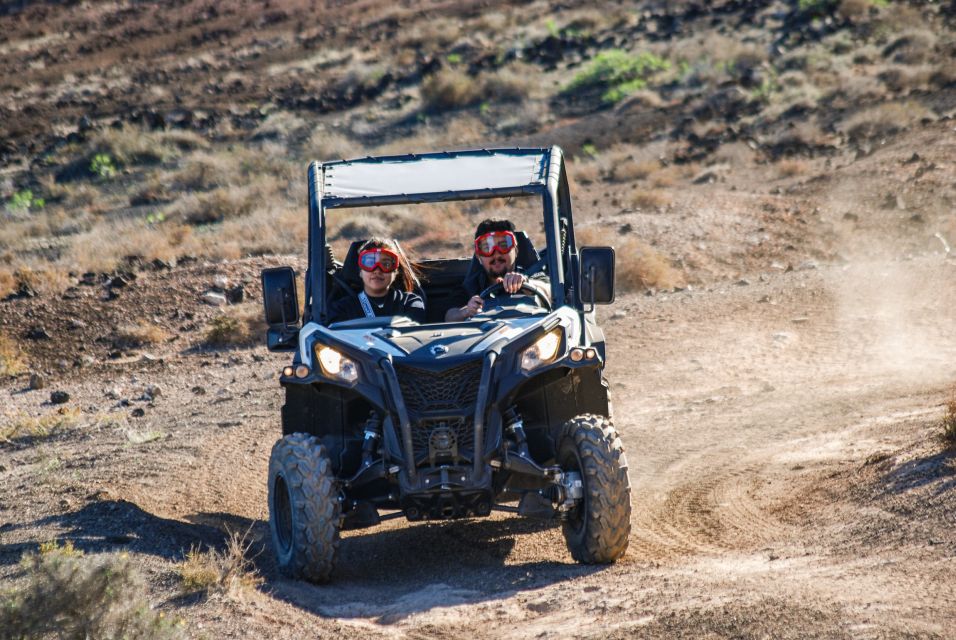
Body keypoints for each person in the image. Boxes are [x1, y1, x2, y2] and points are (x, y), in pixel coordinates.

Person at [445, 218, 547, 321]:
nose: (497, 254)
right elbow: (449, 317)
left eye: (504, 246)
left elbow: (551, 290)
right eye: (487, 248)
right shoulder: (470, 286)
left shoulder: (532, 277)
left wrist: (528, 285)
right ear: (479, 257)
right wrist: (466, 311)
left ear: (515, 251)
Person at [328, 238, 426, 324]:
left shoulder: (410, 303)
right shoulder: (342, 308)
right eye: (370, 263)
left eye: (386, 264)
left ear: (396, 272)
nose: (377, 270)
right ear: (360, 272)